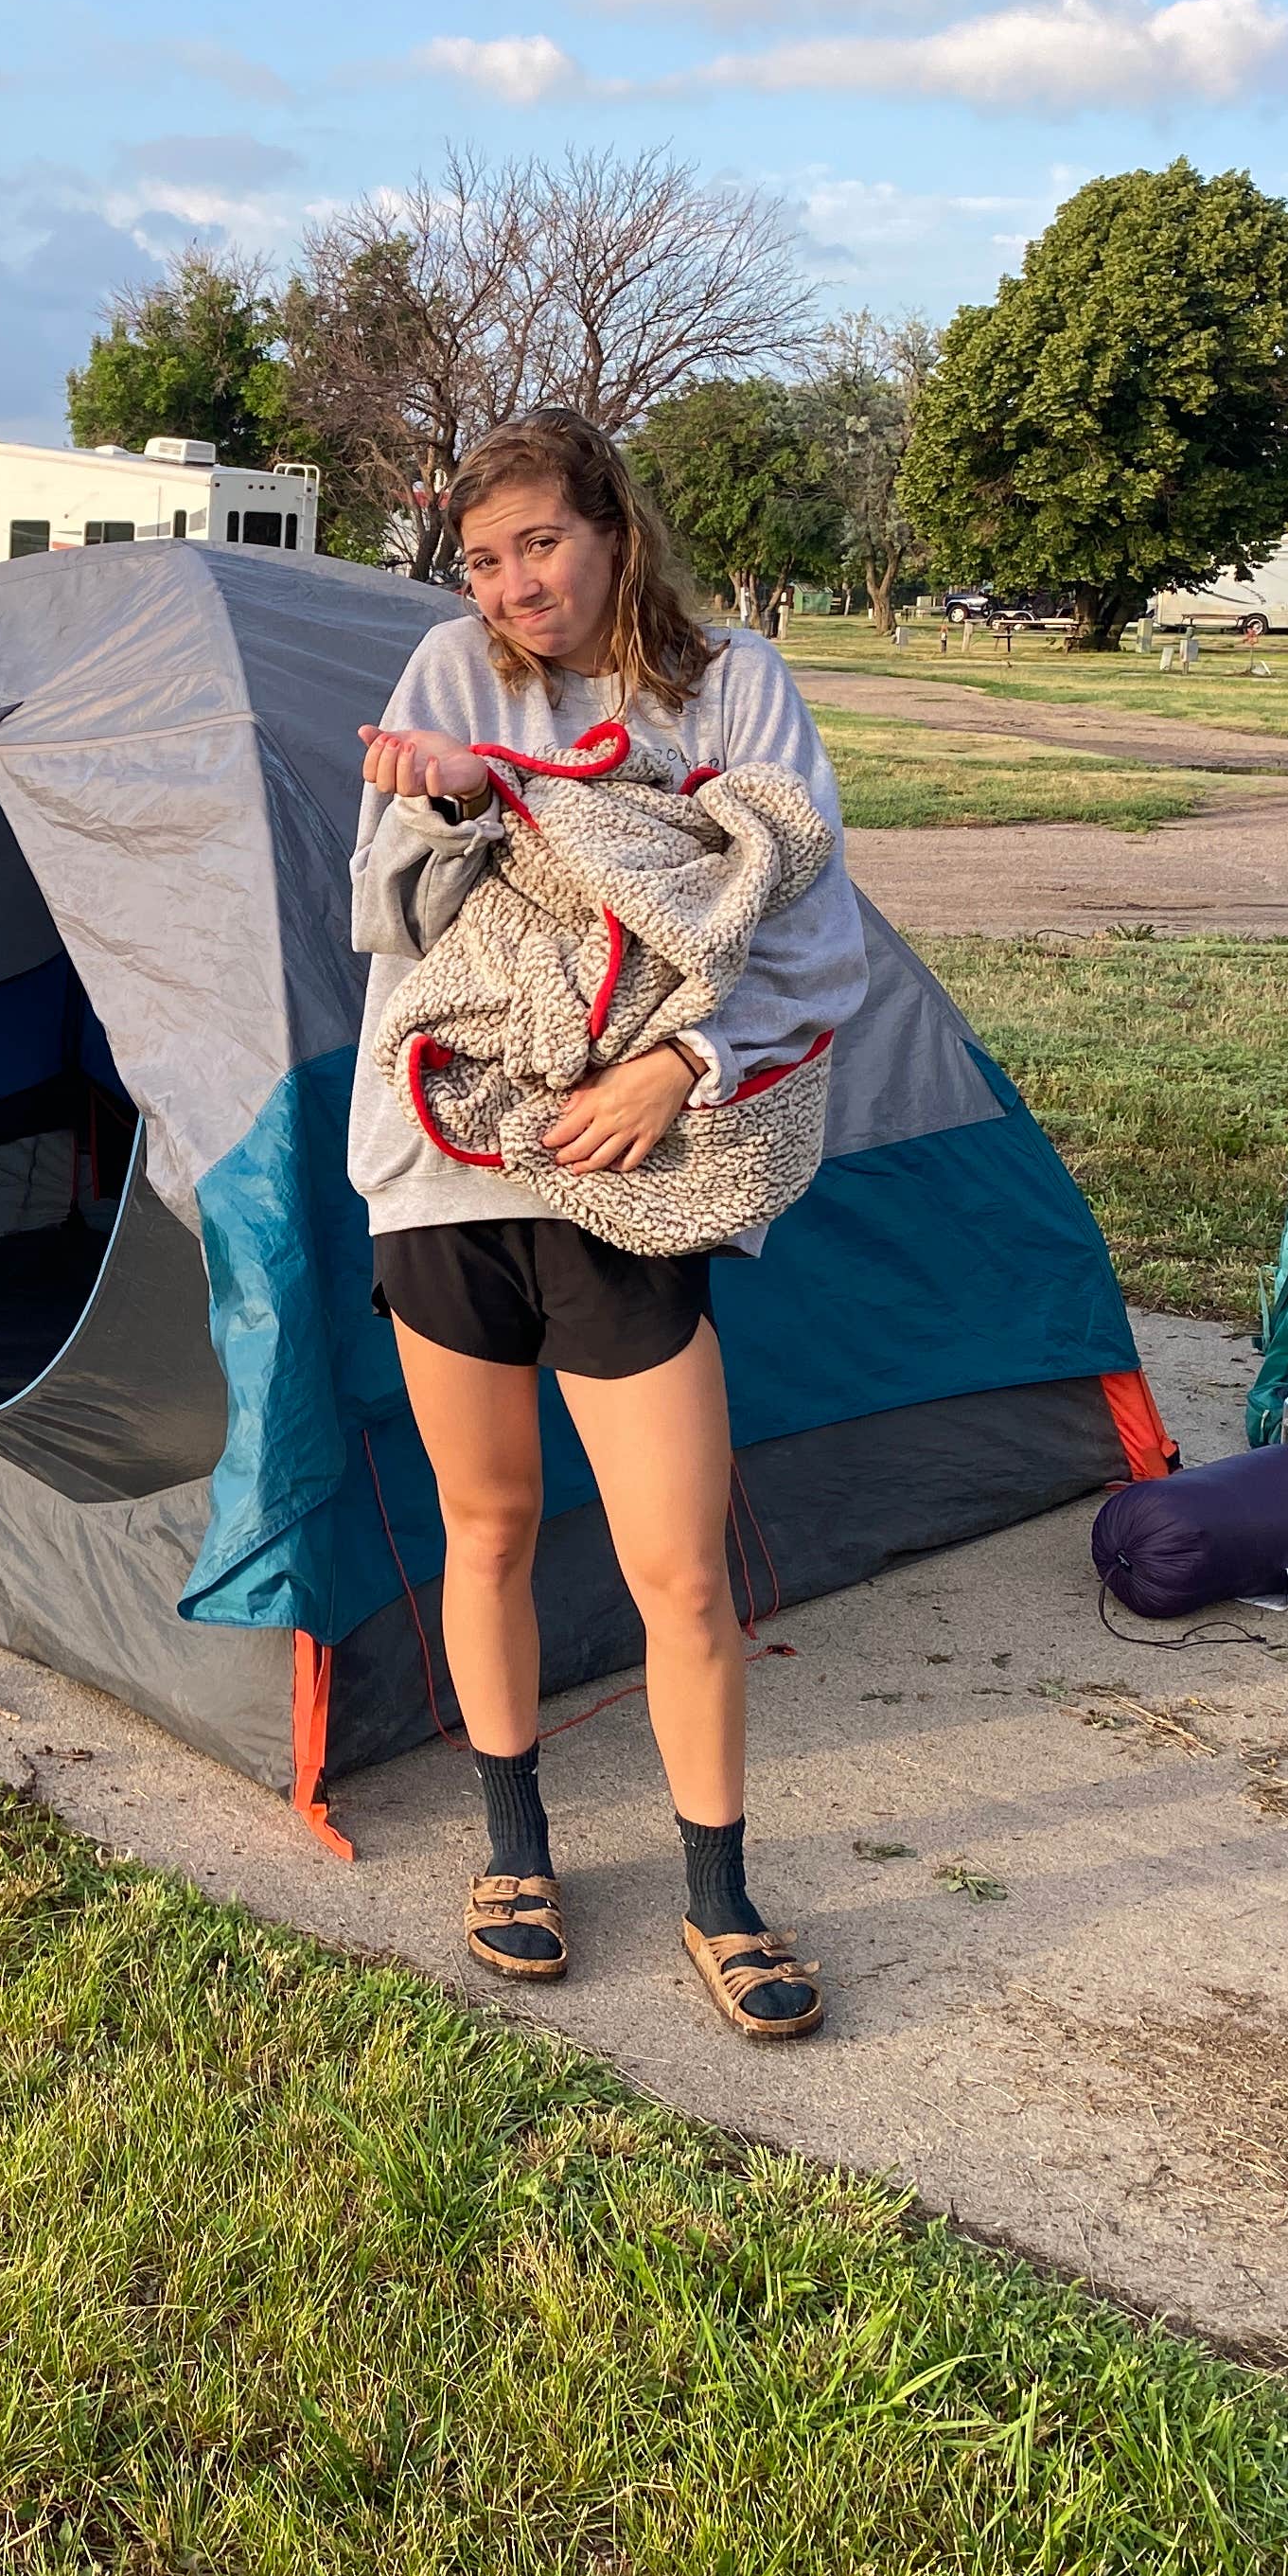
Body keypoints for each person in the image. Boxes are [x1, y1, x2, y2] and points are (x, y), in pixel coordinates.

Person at [351, 407, 866, 2035]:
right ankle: (516, 1847)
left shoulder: (731, 689)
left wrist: (681, 1068)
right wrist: (444, 806)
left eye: (540, 546)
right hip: (450, 1162)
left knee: (676, 1567)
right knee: (487, 1525)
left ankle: (719, 1891)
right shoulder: (448, 673)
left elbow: (801, 921)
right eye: (485, 559)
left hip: (631, 1179)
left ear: (613, 530)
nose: (511, 587)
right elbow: (377, 910)